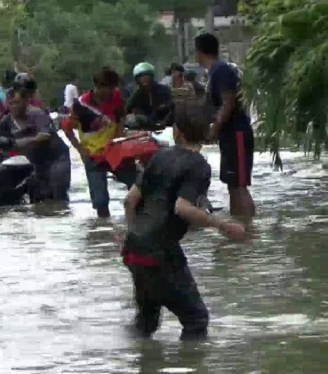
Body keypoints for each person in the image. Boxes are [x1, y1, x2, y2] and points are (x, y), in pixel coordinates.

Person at [118, 95, 246, 340]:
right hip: (162, 252)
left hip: (134, 249)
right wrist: (221, 224)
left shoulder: (158, 157)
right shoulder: (198, 166)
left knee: (145, 323)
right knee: (196, 320)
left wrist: (132, 233)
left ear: (177, 131)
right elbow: (182, 208)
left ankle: (134, 359)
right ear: (206, 132)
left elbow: (129, 201)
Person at [195, 33, 256, 220]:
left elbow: (228, 102)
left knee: (239, 185)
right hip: (229, 134)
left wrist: (214, 129)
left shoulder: (221, 70)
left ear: (199, 52)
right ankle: (240, 229)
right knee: (232, 183)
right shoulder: (215, 71)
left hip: (236, 133)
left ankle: (250, 229)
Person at [61, 67, 136, 218]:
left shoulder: (116, 97)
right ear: (98, 86)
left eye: (113, 87)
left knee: (137, 183)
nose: (111, 91)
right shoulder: (81, 105)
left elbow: (120, 118)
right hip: (93, 156)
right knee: (101, 202)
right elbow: (67, 129)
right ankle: (104, 232)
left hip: (114, 151)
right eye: (108, 87)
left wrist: (120, 139)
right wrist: (81, 151)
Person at [0, 88, 71, 201]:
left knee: (57, 194)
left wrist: (18, 142)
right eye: (10, 103)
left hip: (56, 158)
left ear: (26, 101)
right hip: (36, 161)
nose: (14, 106)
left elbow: (44, 136)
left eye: (17, 102)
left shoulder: (37, 114)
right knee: (38, 197)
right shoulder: (6, 121)